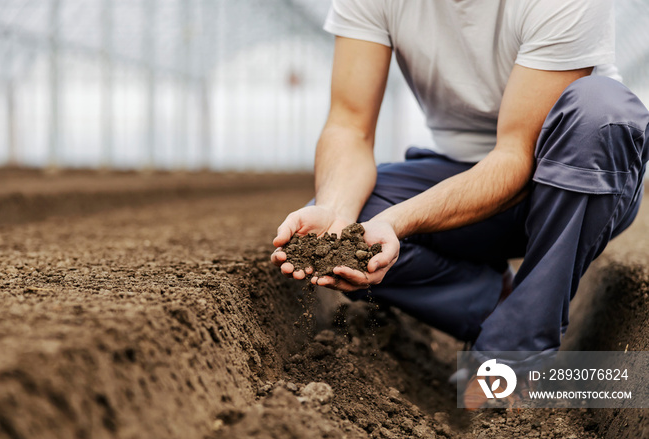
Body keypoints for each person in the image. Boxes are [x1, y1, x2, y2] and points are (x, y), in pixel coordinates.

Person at [270, 0, 649, 408]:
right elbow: (349, 125)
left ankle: (513, 355)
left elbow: (516, 157)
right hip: (463, 174)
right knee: (349, 229)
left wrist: (397, 221)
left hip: (577, 183)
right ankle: (498, 303)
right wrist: (338, 217)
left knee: (602, 110)